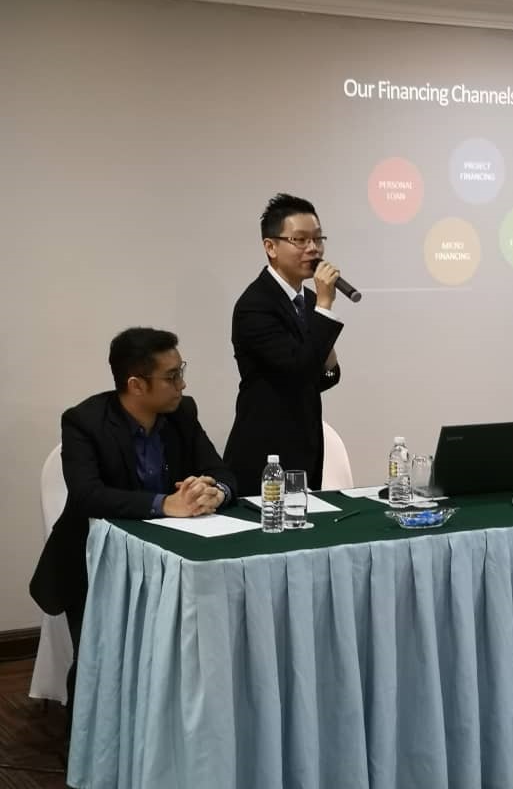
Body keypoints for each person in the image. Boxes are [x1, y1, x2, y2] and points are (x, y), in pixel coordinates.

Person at [30, 327, 236, 724]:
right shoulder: (84, 422)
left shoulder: (182, 413)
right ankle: (87, 743)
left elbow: (221, 470)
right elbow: (88, 495)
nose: (182, 384)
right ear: (136, 385)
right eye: (172, 376)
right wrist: (164, 504)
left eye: (181, 371)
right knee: (100, 662)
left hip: (167, 560)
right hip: (93, 563)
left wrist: (215, 492)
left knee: (183, 655)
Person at [223, 193, 344, 493]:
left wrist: (321, 319)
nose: (313, 248)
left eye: (318, 239)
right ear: (271, 247)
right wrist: (325, 308)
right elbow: (298, 371)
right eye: (300, 240)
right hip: (265, 452)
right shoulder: (255, 305)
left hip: (306, 448)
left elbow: (327, 376)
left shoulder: (310, 300)